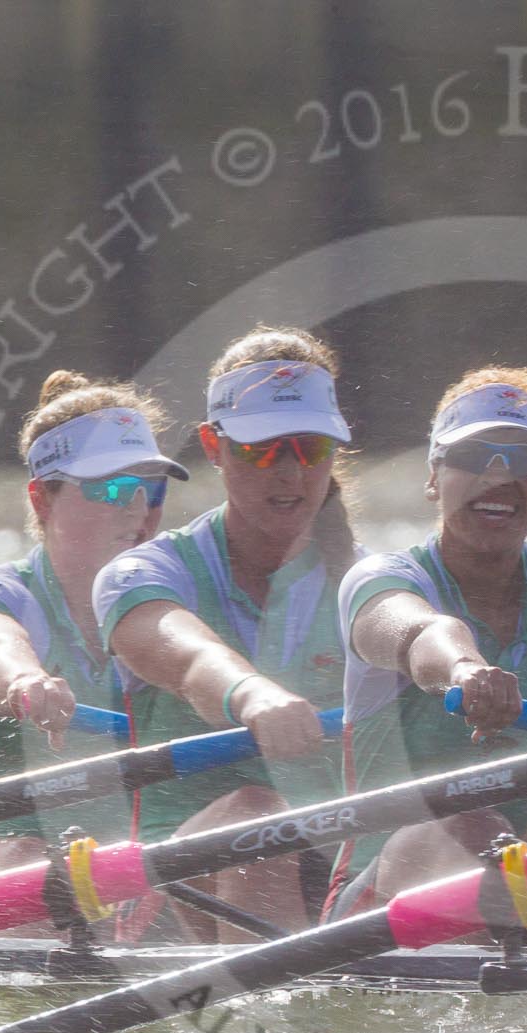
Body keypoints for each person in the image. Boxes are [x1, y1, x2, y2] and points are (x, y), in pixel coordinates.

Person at [94, 327, 360, 939]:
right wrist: (252, 696)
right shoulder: (142, 573)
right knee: (257, 817)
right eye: (263, 449)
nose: (290, 472)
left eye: (309, 448)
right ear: (214, 447)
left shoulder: (367, 582)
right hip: (168, 879)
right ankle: (286, 1029)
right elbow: (189, 659)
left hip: (331, 858)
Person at [327, 368, 527, 915]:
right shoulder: (380, 580)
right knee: (472, 825)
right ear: (433, 476)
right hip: (380, 896)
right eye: (474, 457)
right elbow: (421, 630)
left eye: (526, 462)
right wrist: (463, 670)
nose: (499, 477)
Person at [0, 372, 188, 888]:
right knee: (37, 862)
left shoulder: (186, 599)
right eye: (113, 487)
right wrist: (22, 681)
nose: (139, 510)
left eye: (150, 488)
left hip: (143, 872)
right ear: (41, 500)